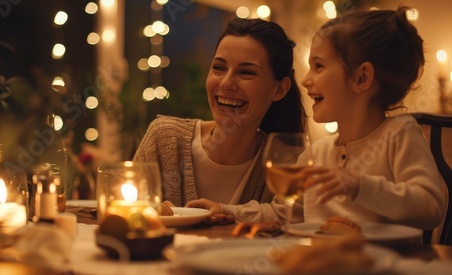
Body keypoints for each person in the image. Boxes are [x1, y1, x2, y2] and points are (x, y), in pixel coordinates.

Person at [133, 18, 306, 222]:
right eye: (219, 67)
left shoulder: (285, 163)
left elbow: (292, 227)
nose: (226, 83)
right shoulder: (164, 138)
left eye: (246, 72)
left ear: (279, 89)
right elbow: (125, 214)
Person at [297, 6, 446, 230]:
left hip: (388, 263)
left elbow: (430, 207)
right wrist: (228, 210)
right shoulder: (315, 153)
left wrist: (360, 187)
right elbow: (289, 212)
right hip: (323, 262)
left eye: (319, 66)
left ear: (362, 77)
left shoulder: (399, 134)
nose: (306, 80)